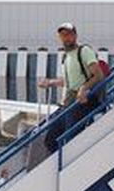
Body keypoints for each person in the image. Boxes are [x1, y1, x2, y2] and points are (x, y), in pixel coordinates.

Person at [41, 23, 107, 155]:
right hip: (67, 103)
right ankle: (59, 168)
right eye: (63, 35)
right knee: (49, 139)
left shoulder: (84, 51)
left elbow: (99, 75)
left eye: (69, 34)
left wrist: (83, 89)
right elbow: (68, 81)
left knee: (72, 139)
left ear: (75, 36)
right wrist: (50, 82)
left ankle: (69, 168)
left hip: (83, 102)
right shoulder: (66, 56)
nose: (66, 38)